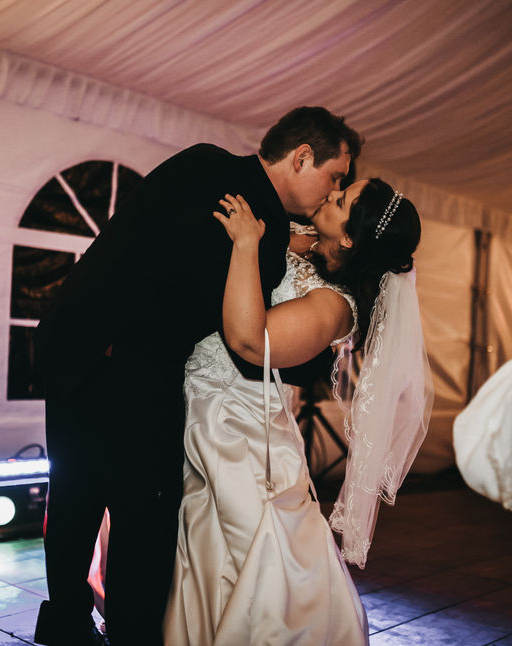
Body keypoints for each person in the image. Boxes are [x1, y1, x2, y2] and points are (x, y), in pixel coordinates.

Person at [33, 107, 362, 646]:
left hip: (74, 343)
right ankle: (132, 637)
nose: (334, 190)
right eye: (334, 176)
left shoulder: (204, 162)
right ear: (302, 158)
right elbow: (244, 338)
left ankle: (64, 622)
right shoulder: (259, 225)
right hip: (133, 371)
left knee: (74, 495)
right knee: (144, 518)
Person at [163, 180, 433, 645]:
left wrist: (246, 244)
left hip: (240, 429)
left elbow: (250, 341)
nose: (331, 195)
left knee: (248, 559)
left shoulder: (334, 307)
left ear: (348, 237)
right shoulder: (304, 235)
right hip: (202, 403)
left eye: (341, 201)